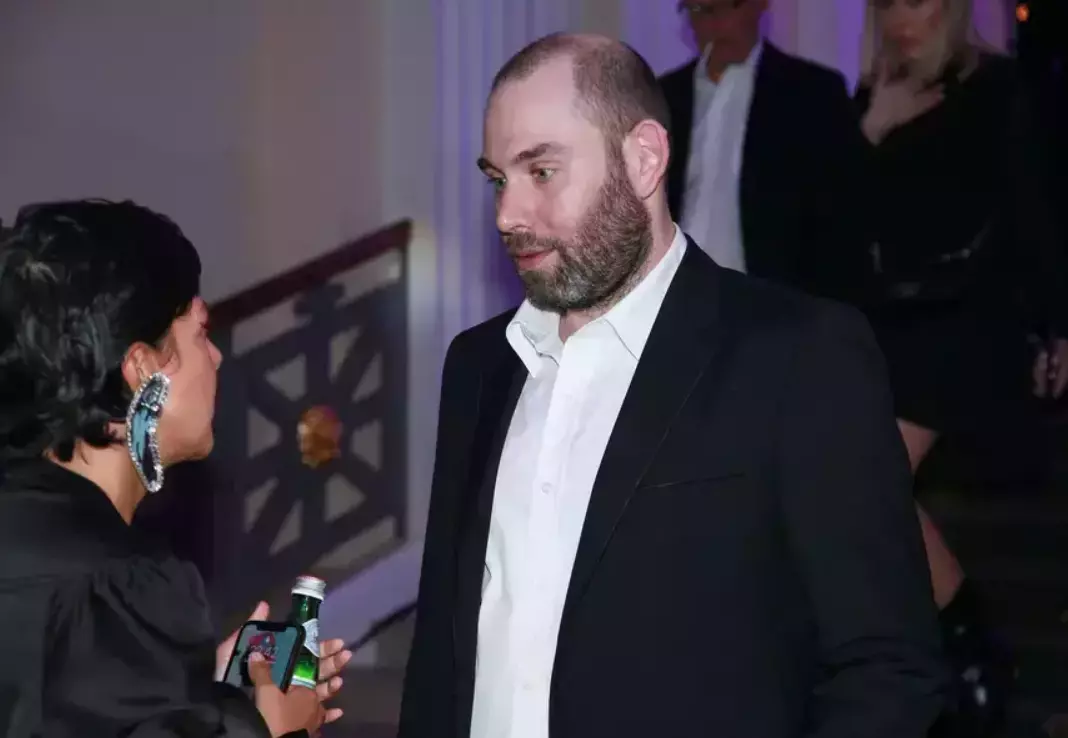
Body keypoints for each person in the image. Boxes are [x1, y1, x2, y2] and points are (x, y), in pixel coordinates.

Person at [399, 33, 946, 738]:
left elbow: (885, 665)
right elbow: (439, 658)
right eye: (498, 180)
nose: (508, 214)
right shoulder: (478, 367)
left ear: (645, 159)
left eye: (541, 171)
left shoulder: (799, 355)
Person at [0, 200, 351, 737]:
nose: (216, 357)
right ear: (143, 368)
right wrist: (272, 725)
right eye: (200, 332)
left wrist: (199, 693)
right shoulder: (117, 582)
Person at [856, 1, 1068, 733]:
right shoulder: (869, 97)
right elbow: (841, 224)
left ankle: (971, 654)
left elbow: (1031, 209)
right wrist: (871, 131)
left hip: (965, 323)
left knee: (868, 477)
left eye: (919, 0)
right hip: (888, 327)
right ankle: (962, 655)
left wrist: (1058, 325)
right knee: (854, 487)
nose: (902, 18)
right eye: (889, 2)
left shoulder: (995, 89)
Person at [659, 0, 865, 302]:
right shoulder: (663, 97)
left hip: (773, 302)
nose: (716, 23)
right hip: (678, 299)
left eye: (729, 6)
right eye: (701, 10)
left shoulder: (812, 92)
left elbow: (841, 219)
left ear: (760, 4)